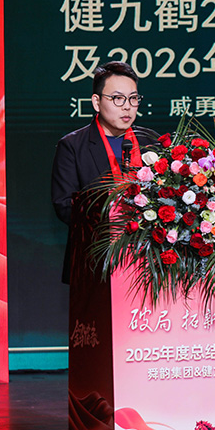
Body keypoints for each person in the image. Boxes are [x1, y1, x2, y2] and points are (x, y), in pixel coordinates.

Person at [51, 61, 158, 283]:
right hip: (95, 263)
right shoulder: (72, 146)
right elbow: (64, 205)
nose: (127, 107)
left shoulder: (151, 142)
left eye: (133, 98)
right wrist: (114, 217)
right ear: (97, 102)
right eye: (118, 98)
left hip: (149, 263)